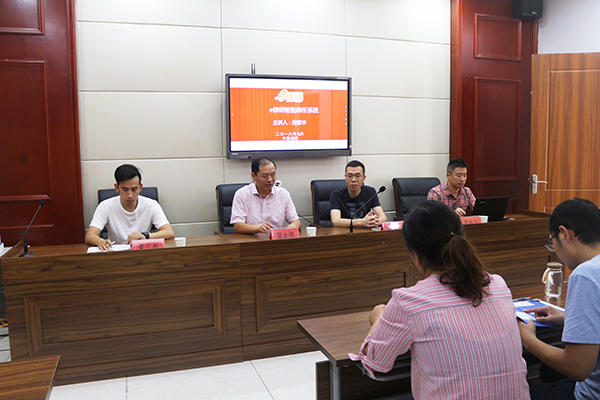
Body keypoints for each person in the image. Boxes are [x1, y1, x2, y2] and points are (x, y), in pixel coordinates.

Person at [349, 200, 530, 399]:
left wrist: (379, 318)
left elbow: (376, 361)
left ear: (415, 256)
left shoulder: (409, 302)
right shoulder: (498, 285)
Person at [519, 198, 600, 400]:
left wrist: (528, 340)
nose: (553, 248)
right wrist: (567, 318)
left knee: (524, 392)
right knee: (548, 371)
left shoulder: (586, 274)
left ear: (564, 234)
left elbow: (577, 368)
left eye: (551, 242)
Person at [85, 164, 174, 250]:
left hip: (142, 251)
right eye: (125, 190)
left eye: (134, 189)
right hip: (117, 253)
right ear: (117, 188)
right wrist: (100, 241)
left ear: (140, 187)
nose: (130, 195)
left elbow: (169, 232)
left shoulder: (151, 205)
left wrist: (145, 236)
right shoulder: (105, 206)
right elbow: (89, 236)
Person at [230, 157, 301, 235]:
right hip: (251, 240)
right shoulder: (242, 194)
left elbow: (297, 222)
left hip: (276, 240)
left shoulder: (283, 194)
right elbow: (238, 226)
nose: (270, 179)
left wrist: (289, 228)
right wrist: (258, 228)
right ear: (253, 176)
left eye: (273, 175)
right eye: (265, 176)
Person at [329, 160, 387, 228]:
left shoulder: (370, 192)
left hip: (365, 231)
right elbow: (335, 221)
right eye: (350, 176)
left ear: (363, 178)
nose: (353, 180)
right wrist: (361, 222)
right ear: (345, 177)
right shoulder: (336, 195)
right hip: (344, 232)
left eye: (358, 176)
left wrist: (375, 222)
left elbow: (383, 217)